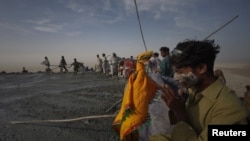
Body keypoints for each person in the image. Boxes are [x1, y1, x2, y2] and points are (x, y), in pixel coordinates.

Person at [150, 40, 248, 141]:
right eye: (175, 72)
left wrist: (179, 112)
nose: (175, 77)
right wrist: (179, 105)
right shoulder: (193, 90)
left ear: (201, 68)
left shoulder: (231, 110)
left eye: (180, 71)